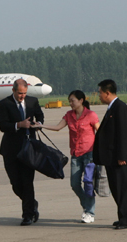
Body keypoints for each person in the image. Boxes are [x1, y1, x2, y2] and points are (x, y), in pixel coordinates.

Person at [32, 90, 99, 223]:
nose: (71, 103)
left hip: (90, 154)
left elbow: (100, 131)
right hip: (75, 154)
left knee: (88, 183)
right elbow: (58, 127)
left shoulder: (90, 115)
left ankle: (89, 212)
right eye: (69, 101)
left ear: (81, 100)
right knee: (74, 184)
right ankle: (87, 206)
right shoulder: (69, 115)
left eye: (73, 100)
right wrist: (41, 126)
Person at [93, 79, 127, 230]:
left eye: (100, 93)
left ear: (107, 93)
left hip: (120, 158)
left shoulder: (120, 108)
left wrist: (123, 156)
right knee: (116, 188)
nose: (98, 96)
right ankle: (123, 217)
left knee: (123, 189)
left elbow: (124, 133)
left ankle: (126, 220)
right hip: (111, 158)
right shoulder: (111, 108)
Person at [0, 79, 44, 226]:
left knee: (27, 182)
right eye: (19, 93)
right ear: (13, 90)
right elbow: (3, 125)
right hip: (10, 149)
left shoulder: (32, 101)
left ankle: (28, 215)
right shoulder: (4, 104)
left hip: (29, 149)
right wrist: (19, 125)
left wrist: (38, 124)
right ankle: (32, 203)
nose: (22, 96)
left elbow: (40, 116)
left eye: (24, 93)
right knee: (16, 183)